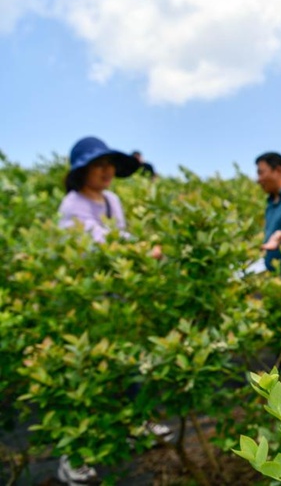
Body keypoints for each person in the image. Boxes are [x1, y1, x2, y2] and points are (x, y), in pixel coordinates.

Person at [56, 137, 168, 485]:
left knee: (133, 360)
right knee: (89, 373)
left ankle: (139, 422)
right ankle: (71, 454)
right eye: (98, 165)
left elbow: (121, 236)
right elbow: (101, 244)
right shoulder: (72, 205)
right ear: (82, 170)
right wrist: (143, 251)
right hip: (89, 299)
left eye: (110, 165)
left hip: (117, 296)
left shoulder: (112, 200)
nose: (107, 171)